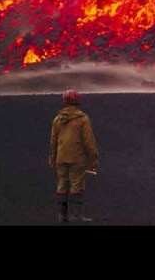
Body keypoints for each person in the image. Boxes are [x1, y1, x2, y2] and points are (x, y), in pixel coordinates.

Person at [50, 89, 98, 224]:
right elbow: (88, 140)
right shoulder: (83, 119)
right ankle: (77, 215)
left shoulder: (57, 119)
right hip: (77, 158)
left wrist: (52, 158)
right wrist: (93, 158)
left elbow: (53, 140)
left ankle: (62, 216)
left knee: (62, 184)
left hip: (61, 157)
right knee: (77, 185)